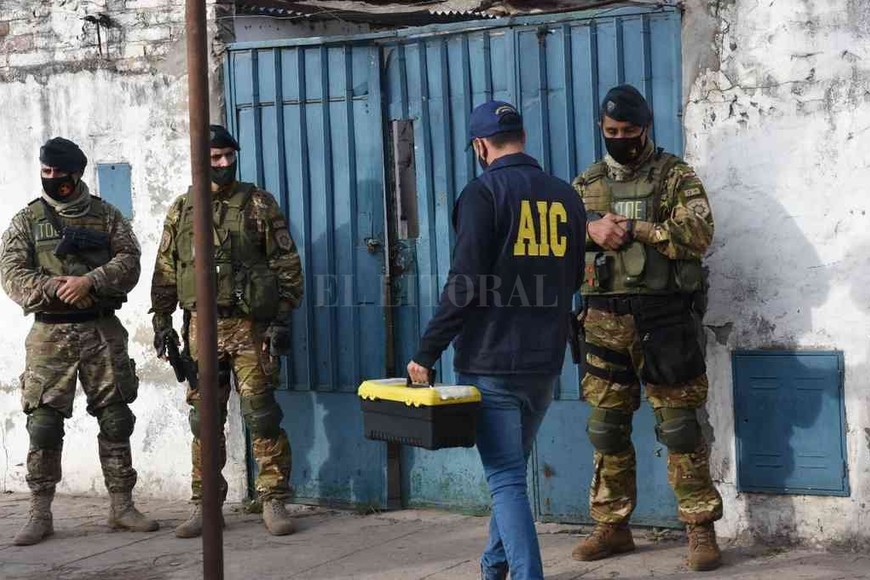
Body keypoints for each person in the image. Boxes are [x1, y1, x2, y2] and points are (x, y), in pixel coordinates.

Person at [407, 101, 585, 580]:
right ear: (521, 137)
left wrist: (428, 349)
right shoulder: (567, 197)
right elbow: (573, 277)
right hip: (544, 365)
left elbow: (464, 283)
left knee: (506, 479)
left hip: (492, 362)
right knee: (511, 473)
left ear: (480, 146)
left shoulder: (483, 194)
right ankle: (494, 566)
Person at [571, 84, 722, 571]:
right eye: (612, 131)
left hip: (664, 320)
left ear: (646, 128)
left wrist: (639, 230)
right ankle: (612, 528)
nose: (620, 139)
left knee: (679, 427)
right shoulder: (586, 185)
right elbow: (556, 245)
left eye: (629, 132)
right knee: (606, 428)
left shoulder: (675, 175)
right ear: (601, 128)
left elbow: (699, 234)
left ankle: (699, 530)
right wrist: (588, 228)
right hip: (602, 320)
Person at [0, 137, 157, 545]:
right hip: (50, 335)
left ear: (76, 174)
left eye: (59, 173)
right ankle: (39, 511)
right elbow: (11, 273)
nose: (51, 179)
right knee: (44, 424)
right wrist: (54, 287)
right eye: (45, 171)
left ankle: (122, 505)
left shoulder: (106, 216)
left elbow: (130, 261)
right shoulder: (26, 221)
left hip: (101, 329)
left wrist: (91, 280)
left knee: (116, 417)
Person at [150, 125, 304, 538]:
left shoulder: (258, 203)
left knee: (262, 415)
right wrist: (162, 321)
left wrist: (283, 315)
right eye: (214, 158)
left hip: (250, 327)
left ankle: (273, 498)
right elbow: (166, 269)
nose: (222, 164)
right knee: (204, 420)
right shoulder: (182, 209)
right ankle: (205, 505)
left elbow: (286, 263)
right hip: (201, 327)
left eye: (227, 157)